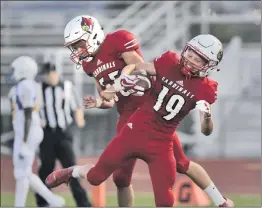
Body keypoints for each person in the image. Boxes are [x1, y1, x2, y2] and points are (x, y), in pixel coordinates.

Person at [45, 34, 234, 207]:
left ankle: (220, 201)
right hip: (133, 130)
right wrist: (125, 80)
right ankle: (74, 171)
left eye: (198, 58)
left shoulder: (206, 89)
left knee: (166, 200)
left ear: (208, 64)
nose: (191, 59)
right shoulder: (169, 61)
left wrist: (207, 115)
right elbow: (139, 67)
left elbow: (206, 130)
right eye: (191, 54)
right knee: (97, 178)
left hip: (162, 142)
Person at [8, 56, 65, 207]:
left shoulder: (25, 86)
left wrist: (25, 140)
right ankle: (24, 204)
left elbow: (27, 113)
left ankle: (53, 200)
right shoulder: (29, 85)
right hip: (29, 130)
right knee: (22, 173)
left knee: (22, 173)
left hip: (28, 132)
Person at [35, 62, 92, 207]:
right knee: (46, 169)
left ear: (56, 73)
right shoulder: (38, 89)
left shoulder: (67, 87)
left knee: (71, 169)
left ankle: (83, 203)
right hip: (46, 134)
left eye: (51, 73)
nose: (49, 77)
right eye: (46, 74)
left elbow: (77, 106)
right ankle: (43, 202)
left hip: (63, 133)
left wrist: (79, 119)